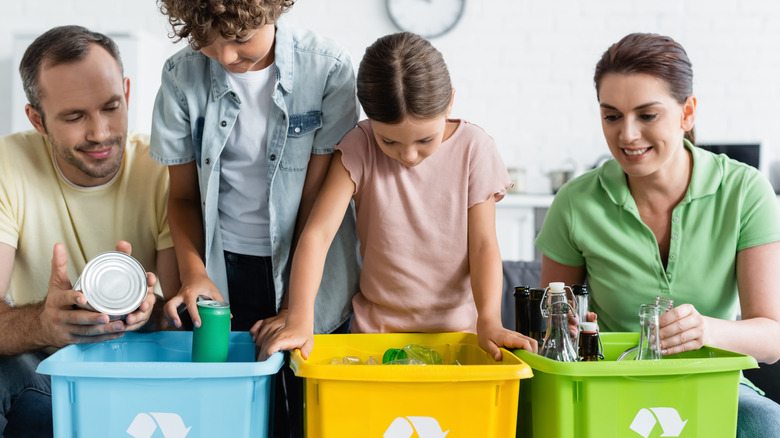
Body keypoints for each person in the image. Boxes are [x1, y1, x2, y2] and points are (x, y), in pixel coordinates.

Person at [536, 32, 780, 437]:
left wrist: (707, 330)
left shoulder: (744, 191)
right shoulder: (576, 202)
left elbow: (771, 337)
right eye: (612, 116)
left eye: (646, 115)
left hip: (712, 381)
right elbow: (549, 326)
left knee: (766, 423)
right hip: (609, 382)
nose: (627, 135)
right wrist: (564, 328)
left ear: (687, 114)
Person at [258, 32, 536, 364]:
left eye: (424, 139)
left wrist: (489, 320)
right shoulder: (360, 145)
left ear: (449, 102)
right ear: (369, 118)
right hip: (375, 335)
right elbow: (318, 235)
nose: (409, 155)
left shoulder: (474, 149)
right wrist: (301, 319)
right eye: (389, 142)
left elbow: (483, 246)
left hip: (458, 334)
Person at [151, 1, 361, 436]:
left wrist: (296, 305)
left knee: (310, 416)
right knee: (234, 417)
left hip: (315, 274)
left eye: (241, 40)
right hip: (224, 273)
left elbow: (316, 202)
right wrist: (194, 275)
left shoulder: (328, 69)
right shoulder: (179, 76)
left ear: (273, 14)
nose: (227, 57)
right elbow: (184, 198)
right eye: (209, 42)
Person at [0, 25, 178, 437]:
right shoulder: (9, 164)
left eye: (111, 107)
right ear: (37, 119)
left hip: (146, 387)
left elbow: (182, 321)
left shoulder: (165, 171)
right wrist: (43, 325)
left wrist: (148, 312)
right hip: (48, 384)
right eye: (75, 116)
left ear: (128, 93)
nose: (100, 133)